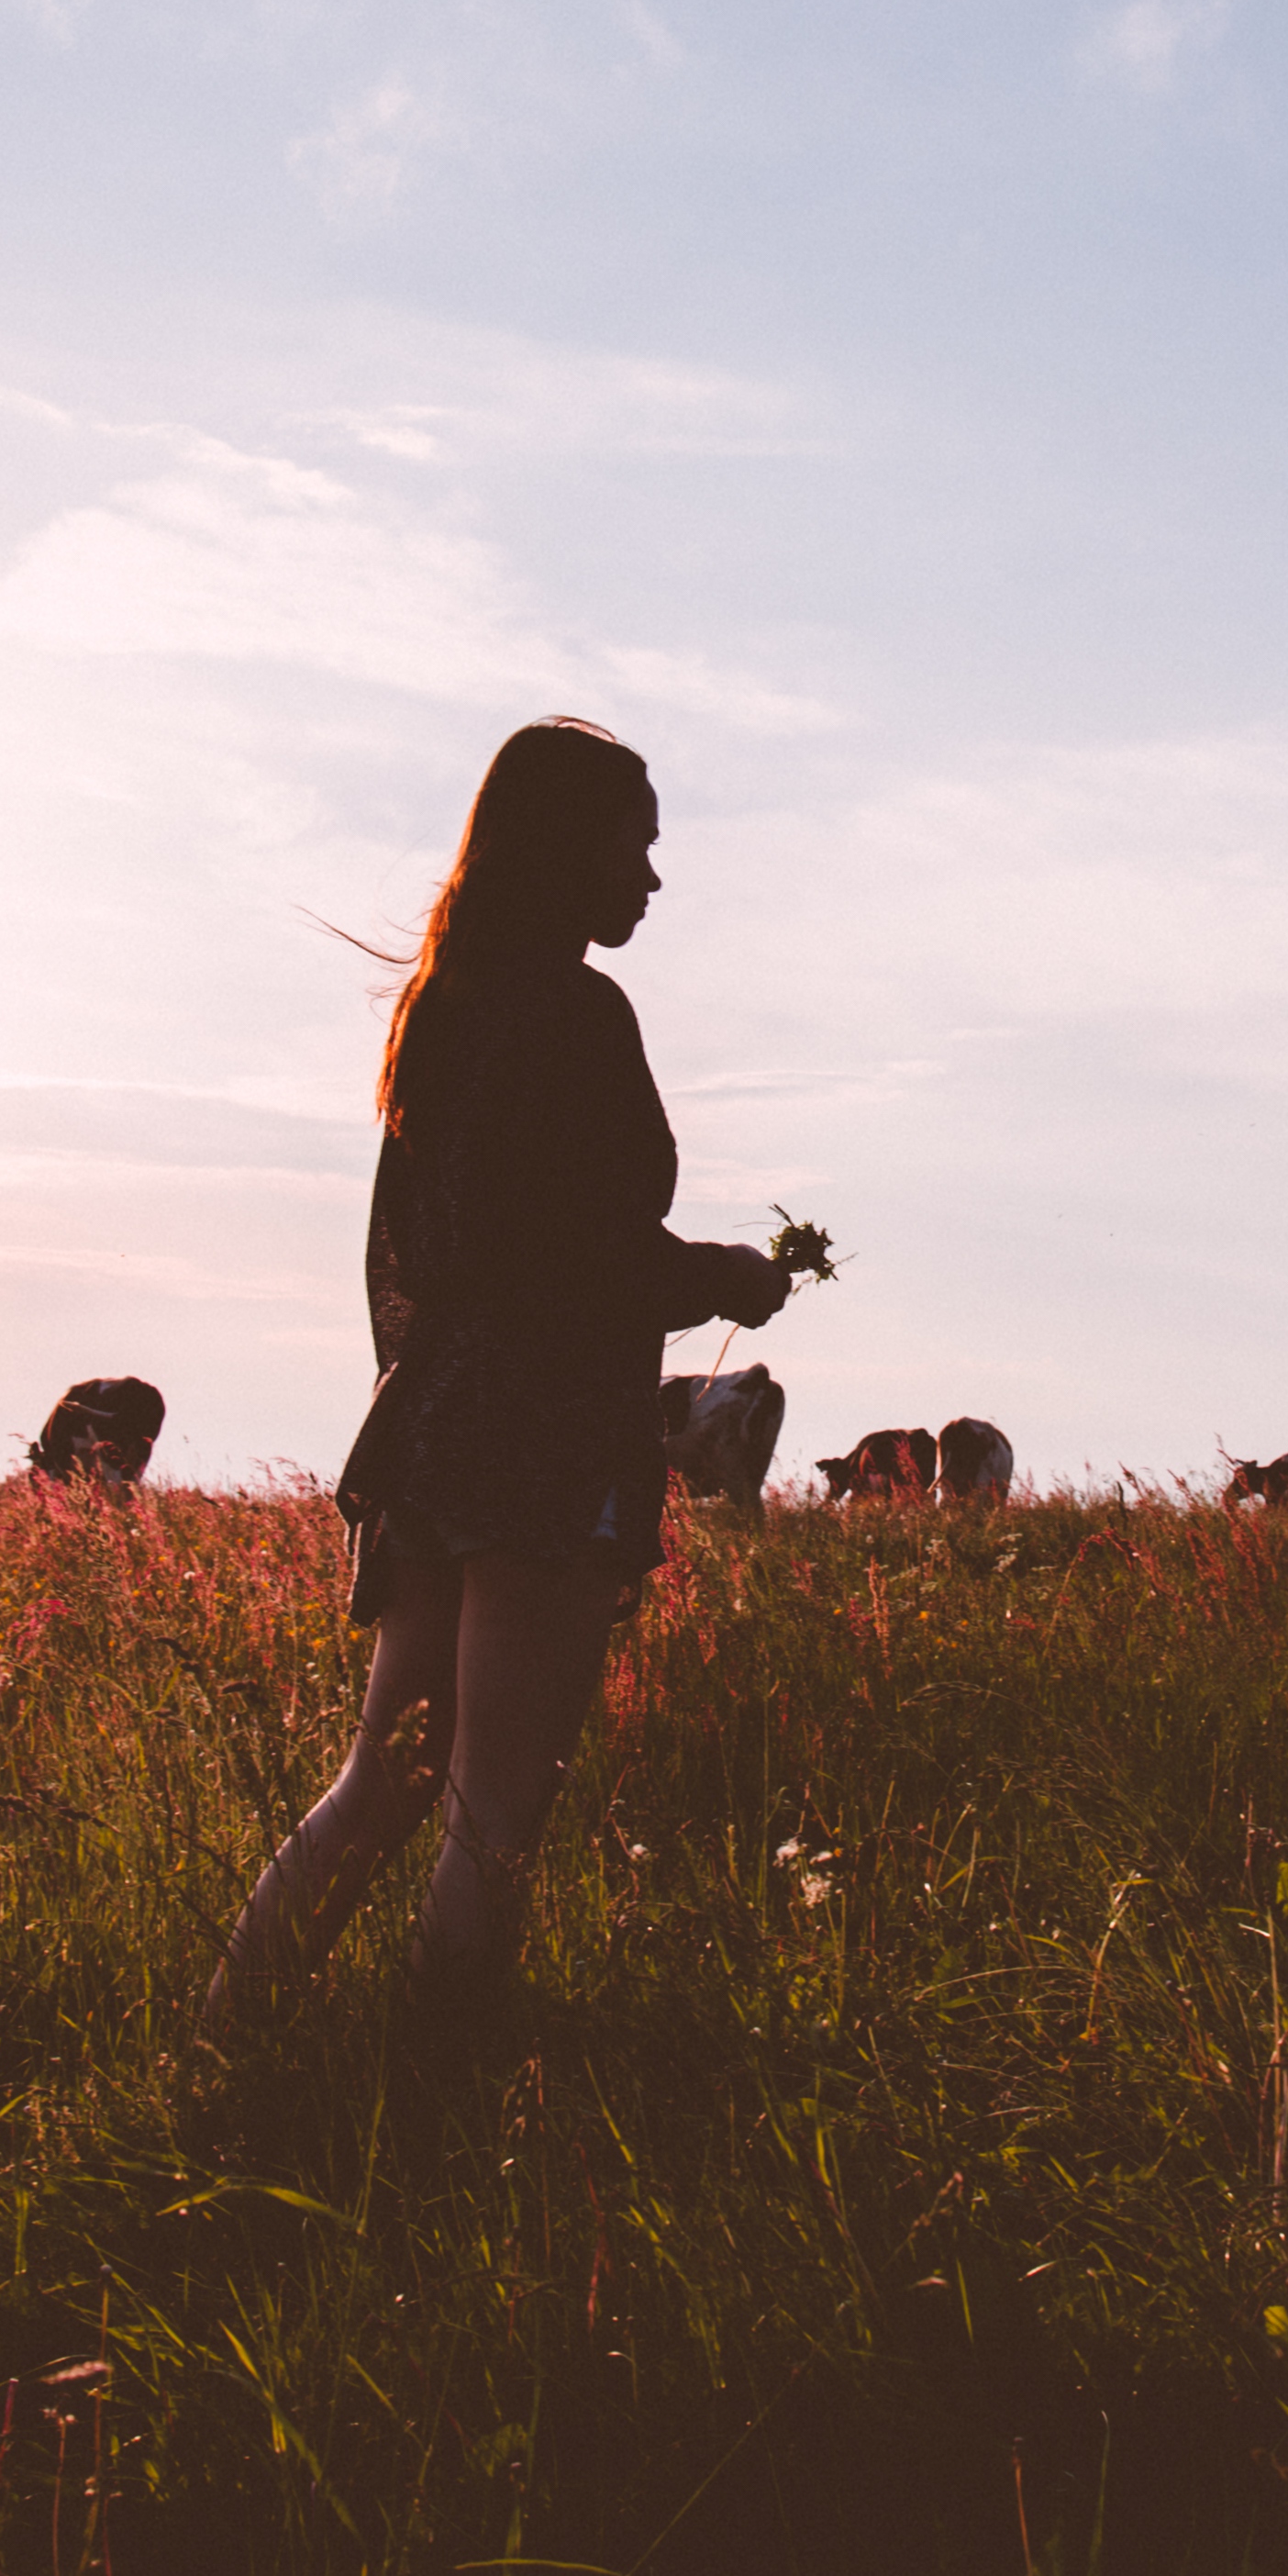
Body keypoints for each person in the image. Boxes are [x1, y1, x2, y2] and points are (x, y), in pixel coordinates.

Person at [208, 719, 795, 2018]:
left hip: (430, 1431)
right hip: (543, 1441)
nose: (649, 879)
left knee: (388, 1777)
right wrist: (726, 1282)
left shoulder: (444, 1011)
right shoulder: (577, 1013)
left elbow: (449, 1247)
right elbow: (574, 1255)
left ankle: (226, 2035)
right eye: (633, 847)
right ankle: (437, 2082)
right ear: (565, 848)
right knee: (494, 1807)